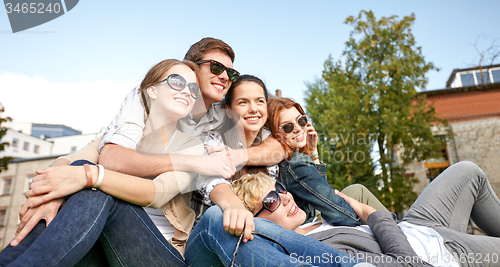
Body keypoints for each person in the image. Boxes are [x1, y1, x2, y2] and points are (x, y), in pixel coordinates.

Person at [14, 37, 286, 248]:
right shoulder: (149, 95)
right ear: (191, 68)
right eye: (216, 67)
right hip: (129, 216)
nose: (225, 76)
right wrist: (55, 190)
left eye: (231, 72)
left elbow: (278, 142)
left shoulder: (225, 110)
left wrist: (241, 156)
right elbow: (106, 154)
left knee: (96, 189)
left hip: (171, 232)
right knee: (91, 189)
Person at [0, 59, 205, 266]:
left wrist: (92, 176)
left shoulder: (191, 146)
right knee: (81, 168)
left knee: (98, 183)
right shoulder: (115, 139)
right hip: (104, 250)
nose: (187, 91)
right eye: (177, 82)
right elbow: (62, 165)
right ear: (152, 90)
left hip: (159, 256)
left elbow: (157, 193)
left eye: (193, 88)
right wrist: (52, 198)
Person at [222, 160, 500, 266]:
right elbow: (405, 264)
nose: (284, 197)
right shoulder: (314, 249)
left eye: (280, 188)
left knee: (467, 171)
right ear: (257, 224)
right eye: (271, 200)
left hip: (417, 225)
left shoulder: (318, 222)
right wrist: (371, 214)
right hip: (439, 251)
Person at [267, 97, 387, 225]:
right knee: (359, 196)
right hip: (310, 227)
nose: (298, 128)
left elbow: (321, 192)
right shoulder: (296, 163)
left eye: (301, 120)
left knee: (357, 190)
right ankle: (398, 234)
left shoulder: (288, 161)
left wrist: (314, 153)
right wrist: (359, 208)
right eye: (287, 126)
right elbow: (342, 216)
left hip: (309, 220)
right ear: (275, 133)